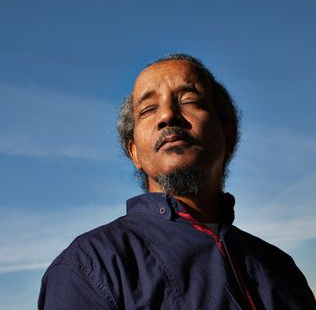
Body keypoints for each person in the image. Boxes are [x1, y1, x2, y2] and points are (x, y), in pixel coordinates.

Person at [38, 54, 316, 309]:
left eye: (189, 101)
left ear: (228, 137)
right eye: (148, 109)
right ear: (134, 151)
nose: (168, 116)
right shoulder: (90, 266)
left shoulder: (280, 268)